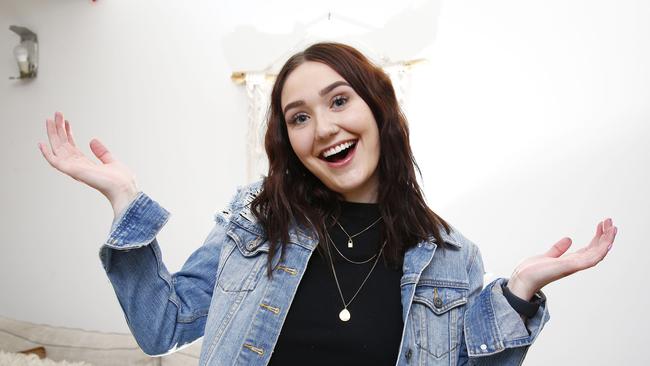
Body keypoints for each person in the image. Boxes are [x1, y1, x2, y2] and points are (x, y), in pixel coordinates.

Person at [38, 42, 617, 366]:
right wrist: (124, 200)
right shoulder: (255, 222)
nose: (323, 128)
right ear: (288, 141)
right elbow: (162, 326)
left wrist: (518, 293)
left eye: (339, 100)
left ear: (377, 108)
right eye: (299, 117)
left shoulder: (450, 256)